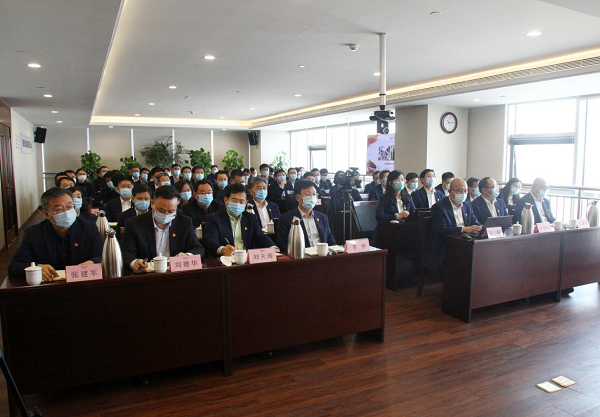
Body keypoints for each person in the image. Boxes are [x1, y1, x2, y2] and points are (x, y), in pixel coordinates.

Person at [8, 187, 103, 280]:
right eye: (59, 209)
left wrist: (92, 263)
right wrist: (36, 268)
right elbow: (15, 265)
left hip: (81, 283)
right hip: (49, 285)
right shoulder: (33, 233)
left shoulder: (89, 228)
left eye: (69, 207)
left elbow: (100, 256)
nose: (66, 212)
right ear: (46, 214)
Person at [121, 186, 205, 273]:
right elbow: (126, 253)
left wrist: (186, 256)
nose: (166, 214)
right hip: (146, 274)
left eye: (171, 211)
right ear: (152, 203)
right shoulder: (134, 224)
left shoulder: (184, 222)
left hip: (176, 273)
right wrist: (134, 263)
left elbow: (198, 249)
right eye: (161, 210)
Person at [423, 179, 482, 272]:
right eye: (460, 191)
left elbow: (474, 221)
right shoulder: (439, 207)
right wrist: (463, 229)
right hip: (446, 245)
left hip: (465, 242)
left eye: (465, 191)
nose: (463, 194)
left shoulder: (467, 205)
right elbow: (440, 229)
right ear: (450, 191)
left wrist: (480, 228)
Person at [204, 183, 275, 257]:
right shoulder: (214, 219)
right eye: (234, 200)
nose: (238, 204)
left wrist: (272, 247)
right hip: (226, 258)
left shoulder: (250, 218)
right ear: (226, 200)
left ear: (246, 202)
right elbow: (210, 241)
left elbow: (261, 237)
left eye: (241, 202)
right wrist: (222, 249)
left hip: (247, 258)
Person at [277, 179, 336, 253]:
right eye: (308, 194)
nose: (312, 197)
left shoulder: (323, 217)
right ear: (298, 197)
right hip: (301, 256)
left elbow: (330, 240)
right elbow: (282, 244)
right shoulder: (286, 219)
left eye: (314, 194)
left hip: (323, 255)